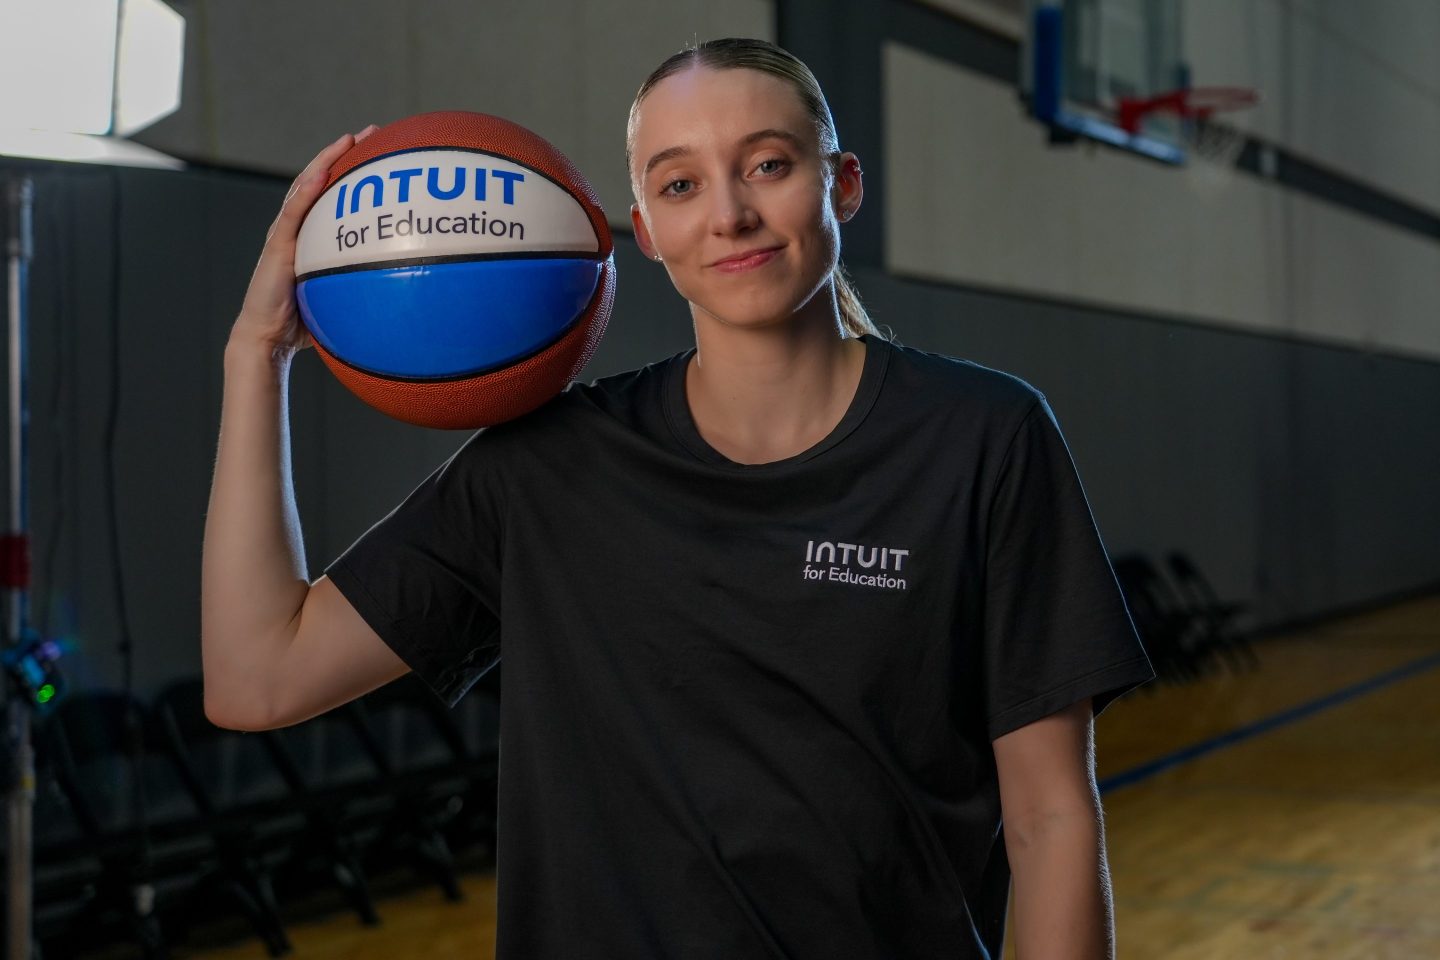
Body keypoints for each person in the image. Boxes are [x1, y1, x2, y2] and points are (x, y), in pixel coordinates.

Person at [202, 36, 1154, 960]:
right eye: (681, 184)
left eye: (769, 164)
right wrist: (257, 358)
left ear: (843, 183)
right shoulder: (547, 470)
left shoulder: (983, 436)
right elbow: (258, 678)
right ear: (645, 230)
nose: (730, 213)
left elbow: (1051, 814)